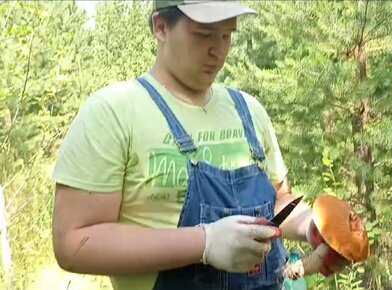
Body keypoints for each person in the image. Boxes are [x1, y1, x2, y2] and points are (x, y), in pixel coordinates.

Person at [51, 1, 347, 290]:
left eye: (227, 34)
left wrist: (313, 226)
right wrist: (204, 243)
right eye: (204, 34)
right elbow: (74, 244)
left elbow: (280, 201)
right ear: (161, 27)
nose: (217, 50)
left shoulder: (249, 110)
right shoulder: (113, 112)